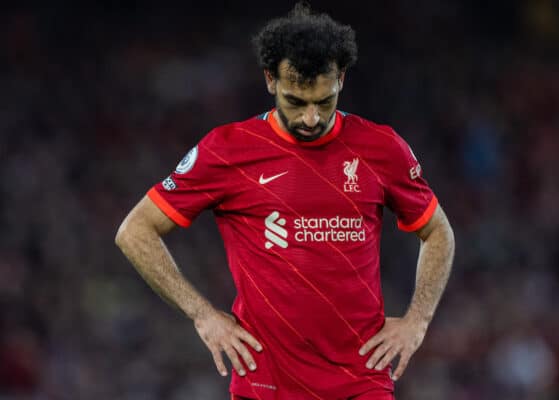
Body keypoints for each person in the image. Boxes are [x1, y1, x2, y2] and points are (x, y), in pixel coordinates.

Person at [115, 3, 455, 399]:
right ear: (270, 80)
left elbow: (438, 232)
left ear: (341, 79)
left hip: (360, 383)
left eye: (324, 102)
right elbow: (134, 231)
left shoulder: (381, 148)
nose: (311, 118)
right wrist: (202, 315)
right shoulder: (228, 150)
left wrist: (418, 320)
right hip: (266, 384)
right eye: (296, 102)